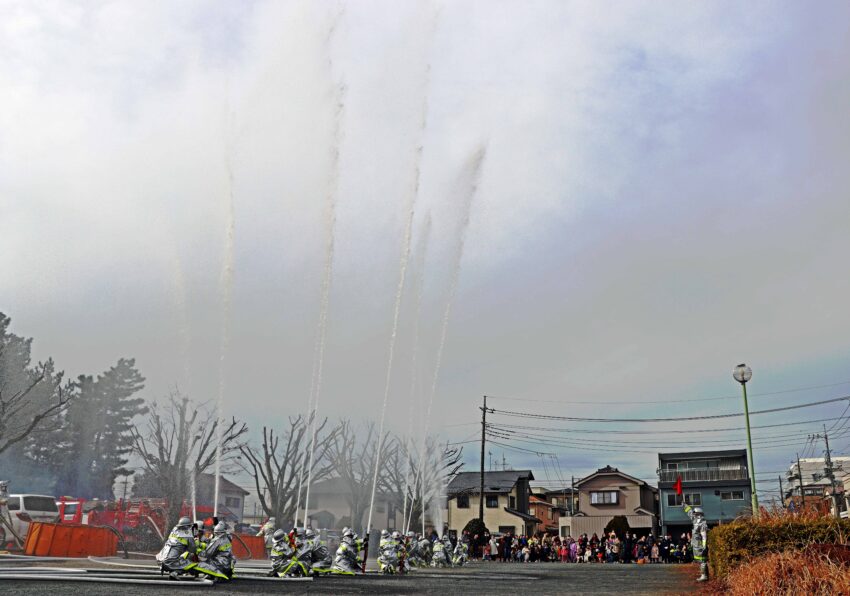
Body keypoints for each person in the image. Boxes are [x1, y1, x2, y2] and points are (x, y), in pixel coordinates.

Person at [684, 503, 709, 581]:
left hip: (700, 545)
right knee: (700, 560)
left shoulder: (702, 524)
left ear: (699, 515)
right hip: (696, 544)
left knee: (702, 560)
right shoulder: (696, 522)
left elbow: (704, 536)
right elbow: (690, 512)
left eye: (695, 514)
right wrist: (684, 505)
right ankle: (704, 575)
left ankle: (704, 576)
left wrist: (704, 546)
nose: (693, 515)